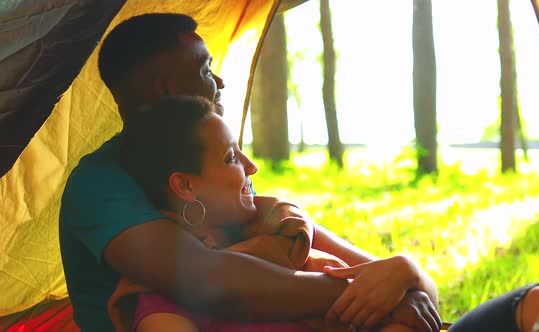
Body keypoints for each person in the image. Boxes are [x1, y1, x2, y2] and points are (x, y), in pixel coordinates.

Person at [59, 12, 440, 332]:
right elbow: (208, 280)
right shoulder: (99, 184)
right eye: (207, 69)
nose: (220, 81)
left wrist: (403, 273)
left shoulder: (219, 177)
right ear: (168, 88)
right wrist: (368, 294)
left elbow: (382, 273)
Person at [107, 95, 439, 332]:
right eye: (230, 158)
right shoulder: (164, 298)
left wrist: (406, 271)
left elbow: (420, 298)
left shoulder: (282, 227)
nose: (251, 166)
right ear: (185, 186)